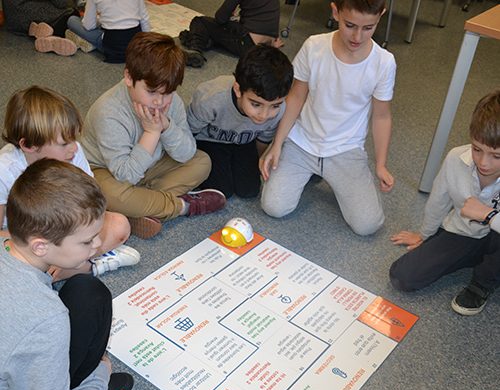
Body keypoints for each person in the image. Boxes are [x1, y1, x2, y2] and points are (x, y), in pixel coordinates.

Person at [0, 159, 134, 390]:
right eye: (87, 240)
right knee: (91, 295)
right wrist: (99, 377)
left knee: (83, 290)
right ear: (40, 247)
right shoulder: (47, 317)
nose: (97, 244)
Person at [259, 0, 396, 236]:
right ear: (335, 12)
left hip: (346, 149)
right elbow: (296, 96)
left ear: (380, 16)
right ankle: (312, 172)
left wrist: (381, 165)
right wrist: (277, 143)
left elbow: (381, 116)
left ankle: (325, 174)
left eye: (368, 28)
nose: (357, 37)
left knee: (367, 226)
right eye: (350, 25)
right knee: (274, 207)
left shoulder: (384, 62)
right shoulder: (314, 46)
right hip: (302, 142)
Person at [81, 32, 226, 239]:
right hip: (106, 170)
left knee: (202, 162)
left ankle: (141, 206)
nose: (159, 101)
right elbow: (126, 175)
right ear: (129, 77)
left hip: (149, 166)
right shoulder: (109, 112)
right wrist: (152, 132)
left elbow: (187, 153)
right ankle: (181, 206)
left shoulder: (172, 102)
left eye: (167, 93)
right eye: (151, 92)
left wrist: (166, 127)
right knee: (111, 195)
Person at [0, 85, 140, 281]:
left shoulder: (73, 152)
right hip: (29, 242)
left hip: (70, 228)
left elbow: (91, 202)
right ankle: (86, 267)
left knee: (120, 226)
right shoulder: (4, 170)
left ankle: (65, 268)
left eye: (74, 138)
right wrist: (54, 252)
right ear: (28, 145)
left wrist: (69, 246)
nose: (74, 148)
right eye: (64, 143)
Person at [390, 90, 500, 316]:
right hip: (464, 233)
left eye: (496, 156)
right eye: (477, 149)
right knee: (403, 276)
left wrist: (488, 215)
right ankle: (477, 258)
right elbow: (438, 201)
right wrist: (425, 234)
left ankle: (482, 283)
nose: (483, 162)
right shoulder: (456, 158)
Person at [187, 45, 293, 198]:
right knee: (222, 191)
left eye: (274, 106)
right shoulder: (211, 98)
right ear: (237, 89)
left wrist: (256, 162)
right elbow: (188, 132)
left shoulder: (280, 109)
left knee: (249, 190)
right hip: (210, 140)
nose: (264, 115)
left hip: (244, 141)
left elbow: (263, 140)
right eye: (256, 104)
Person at [178, 0, 283, 68]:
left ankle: (195, 50)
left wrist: (229, 15)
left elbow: (220, 18)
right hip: (267, 43)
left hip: (248, 43)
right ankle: (206, 40)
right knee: (222, 31)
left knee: (200, 21)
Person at [65, 0, 151, 63]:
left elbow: (89, 26)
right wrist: (146, 45)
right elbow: (144, 19)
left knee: (72, 20)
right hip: (135, 47)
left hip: (112, 48)